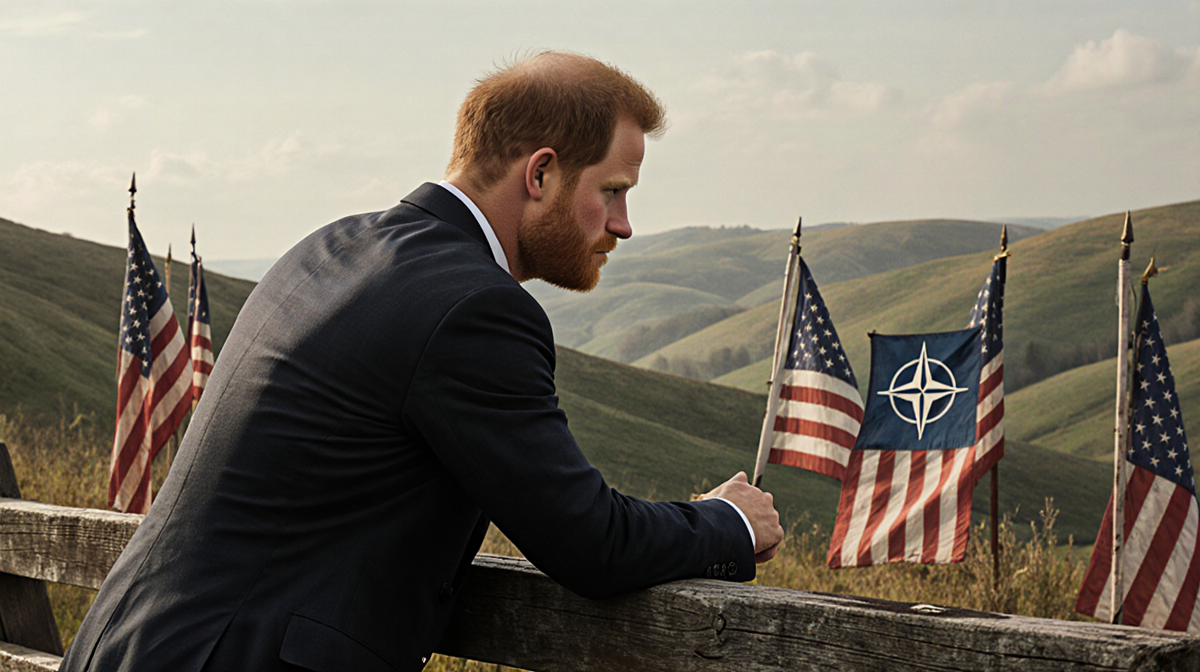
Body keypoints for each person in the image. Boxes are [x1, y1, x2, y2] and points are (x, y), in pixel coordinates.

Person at [61, 51, 783, 672]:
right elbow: (591, 540)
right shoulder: (474, 307)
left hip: (123, 645)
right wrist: (728, 521)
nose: (624, 225)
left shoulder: (330, 246)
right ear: (541, 174)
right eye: (614, 191)